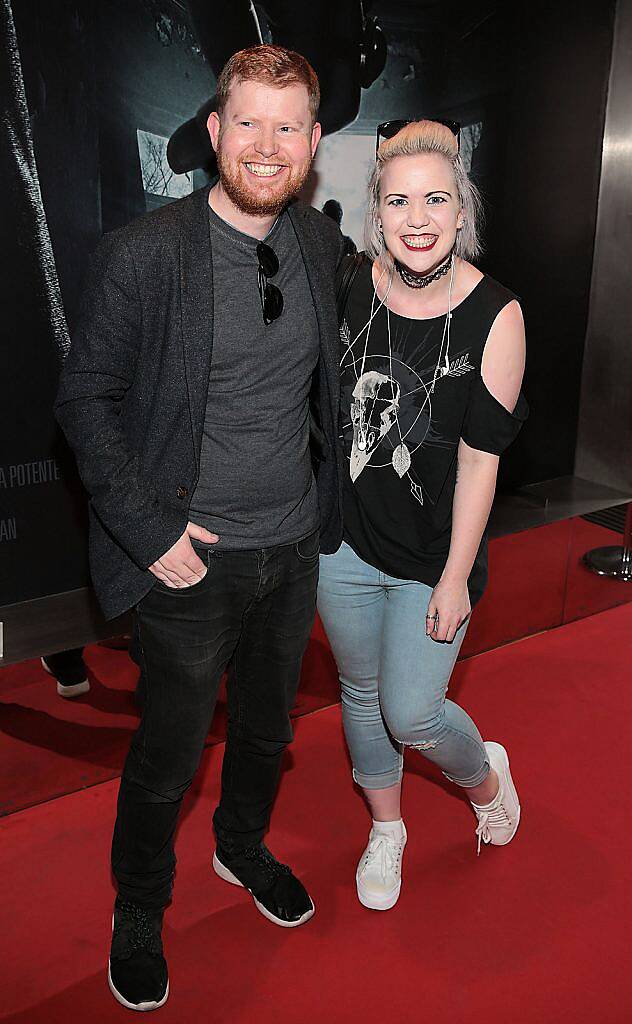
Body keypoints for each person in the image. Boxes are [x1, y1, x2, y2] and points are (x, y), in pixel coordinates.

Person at [56, 45, 346, 1011]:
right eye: (249, 123)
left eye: (289, 126)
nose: (268, 146)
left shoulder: (313, 244)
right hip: (192, 561)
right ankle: (138, 904)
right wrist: (149, 534)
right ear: (215, 133)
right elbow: (85, 403)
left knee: (267, 734)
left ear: (313, 142)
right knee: (170, 756)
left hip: (292, 547)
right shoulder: (146, 255)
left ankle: (240, 849)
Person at [317, 119, 528, 913]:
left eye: (435, 199)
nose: (417, 218)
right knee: (362, 693)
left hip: (434, 554)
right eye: (398, 200)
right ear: (376, 211)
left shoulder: (496, 315)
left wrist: (455, 577)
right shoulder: (345, 286)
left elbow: (481, 460)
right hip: (342, 544)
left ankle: (484, 780)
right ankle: (388, 828)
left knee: (413, 711)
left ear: (461, 210)